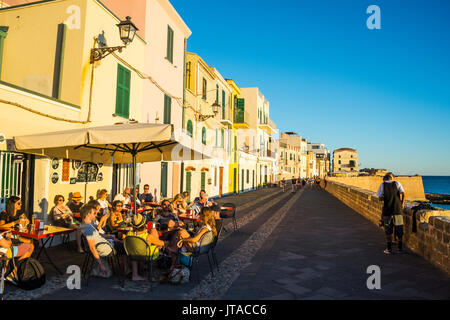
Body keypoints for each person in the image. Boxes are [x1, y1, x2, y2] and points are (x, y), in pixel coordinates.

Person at [80, 205, 126, 276]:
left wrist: (111, 237)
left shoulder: (85, 225)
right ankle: (129, 270)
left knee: (123, 243)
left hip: (106, 245)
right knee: (127, 248)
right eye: (94, 213)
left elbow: (99, 235)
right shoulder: (88, 228)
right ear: (88, 214)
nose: (96, 215)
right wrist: (101, 264)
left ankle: (127, 269)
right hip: (106, 248)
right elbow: (92, 247)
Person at [123, 213, 165, 281]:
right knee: (157, 243)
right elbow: (162, 243)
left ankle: (135, 275)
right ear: (144, 224)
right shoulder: (148, 236)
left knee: (134, 250)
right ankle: (149, 270)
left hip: (133, 255)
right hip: (147, 256)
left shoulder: (129, 234)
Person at [376, 172, 406, 254]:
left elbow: (380, 198)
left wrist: (384, 197)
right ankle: (400, 249)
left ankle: (388, 249)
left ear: (385, 178)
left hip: (387, 210)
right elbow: (403, 193)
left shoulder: (382, 185)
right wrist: (402, 203)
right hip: (397, 209)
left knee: (388, 230)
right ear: (392, 178)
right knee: (399, 229)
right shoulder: (397, 183)